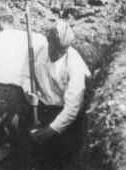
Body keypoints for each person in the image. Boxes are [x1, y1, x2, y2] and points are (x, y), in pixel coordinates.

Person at [0, 4, 48, 168]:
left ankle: (2, 151)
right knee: (21, 136)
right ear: (11, 21)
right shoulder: (35, 38)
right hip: (25, 96)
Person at [26, 20, 91, 169]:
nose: (56, 54)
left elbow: (73, 108)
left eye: (62, 51)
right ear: (48, 41)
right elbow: (25, 74)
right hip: (42, 105)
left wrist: (49, 131)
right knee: (28, 144)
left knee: (58, 153)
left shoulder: (74, 64)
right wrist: (29, 92)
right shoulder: (36, 51)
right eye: (54, 49)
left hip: (65, 113)